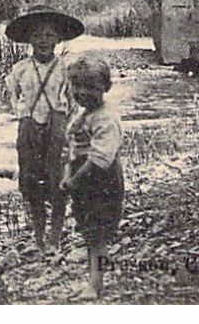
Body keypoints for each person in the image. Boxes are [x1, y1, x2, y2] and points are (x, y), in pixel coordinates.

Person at [4, 5, 83, 254]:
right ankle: (38, 234)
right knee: (30, 180)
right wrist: (27, 119)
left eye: (49, 35)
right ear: (29, 39)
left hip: (57, 126)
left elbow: (72, 102)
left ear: (58, 39)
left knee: (58, 180)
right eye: (38, 35)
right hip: (28, 126)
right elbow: (14, 97)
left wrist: (63, 127)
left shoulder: (65, 70)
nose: (43, 41)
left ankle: (55, 236)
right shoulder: (19, 70)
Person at [62, 55, 124, 301]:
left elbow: (100, 159)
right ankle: (98, 273)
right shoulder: (85, 114)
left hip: (101, 181)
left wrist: (75, 181)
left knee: (96, 233)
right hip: (84, 177)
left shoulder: (106, 119)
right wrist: (68, 173)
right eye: (77, 87)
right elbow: (74, 147)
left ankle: (95, 285)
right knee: (89, 230)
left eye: (91, 87)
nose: (82, 93)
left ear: (105, 88)